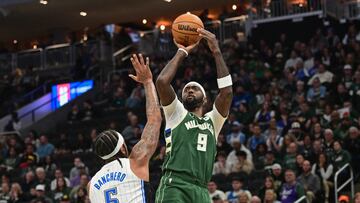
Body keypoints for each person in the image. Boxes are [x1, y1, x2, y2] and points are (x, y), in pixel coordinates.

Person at [155, 28, 233, 203]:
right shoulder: (176, 113)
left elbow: (227, 92)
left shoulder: (213, 121)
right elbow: (161, 82)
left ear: (205, 99)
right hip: (175, 185)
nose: (189, 89)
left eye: (195, 88)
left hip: (201, 190)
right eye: (186, 89)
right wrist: (182, 52)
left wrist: (216, 51)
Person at [88, 54, 162, 203]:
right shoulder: (136, 162)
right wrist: (148, 82)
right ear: (122, 147)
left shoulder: (91, 185)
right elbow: (155, 119)